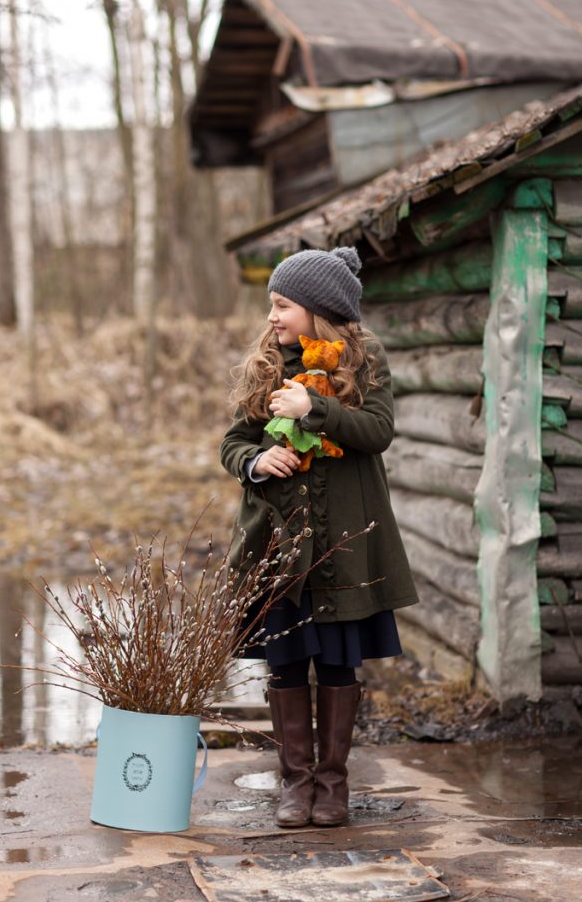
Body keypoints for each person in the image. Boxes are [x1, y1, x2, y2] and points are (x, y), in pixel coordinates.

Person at [220, 246, 418, 828]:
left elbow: (378, 431)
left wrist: (316, 407)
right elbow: (232, 443)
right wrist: (257, 462)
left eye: (283, 305)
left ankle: (333, 787)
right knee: (284, 663)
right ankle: (294, 785)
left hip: (345, 548)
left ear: (319, 308)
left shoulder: (365, 359)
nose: (273, 317)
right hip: (278, 545)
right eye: (272, 305)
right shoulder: (266, 362)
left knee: (335, 664)